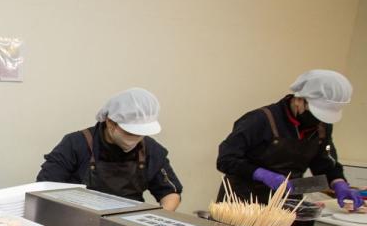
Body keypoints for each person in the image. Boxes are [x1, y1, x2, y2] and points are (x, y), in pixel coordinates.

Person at [216, 69, 361, 209]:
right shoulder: (260, 120)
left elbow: (325, 162)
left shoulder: (322, 127)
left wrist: (338, 182)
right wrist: (262, 174)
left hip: (286, 204)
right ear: (299, 99)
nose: (319, 120)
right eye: (316, 113)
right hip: (241, 202)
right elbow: (225, 159)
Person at [36, 88, 183, 210]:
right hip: (78, 218)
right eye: (130, 133)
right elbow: (46, 186)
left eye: (141, 134)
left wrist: (155, 222)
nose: (136, 139)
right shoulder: (76, 143)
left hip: (129, 224)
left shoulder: (151, 149)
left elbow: (170, 193)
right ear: (111, 122)